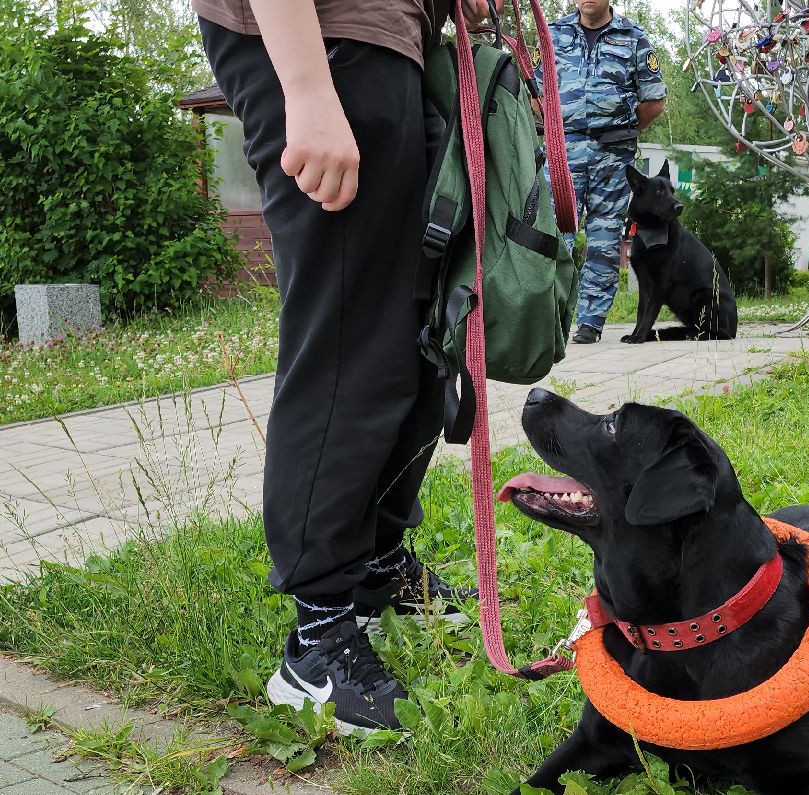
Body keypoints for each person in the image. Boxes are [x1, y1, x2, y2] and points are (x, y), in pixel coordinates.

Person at [192, 0, 488, 732]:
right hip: (321, 43)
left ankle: (376, 568)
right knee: (349, 343)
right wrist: (306, 88)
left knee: (419, 337)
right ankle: (317, 634)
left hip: (392, 47)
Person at [550, 0, 666, 344]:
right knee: (555, 237)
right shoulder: (553, 34)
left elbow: (653, 101)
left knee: (604, 236)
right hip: (564, 154)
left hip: (612, 156)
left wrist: (622, 132)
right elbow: (536, 95)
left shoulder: (633, 37)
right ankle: (553, 318)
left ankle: (590, 322)